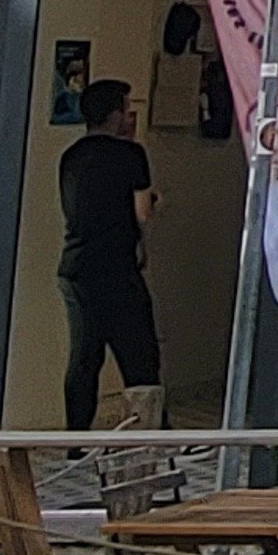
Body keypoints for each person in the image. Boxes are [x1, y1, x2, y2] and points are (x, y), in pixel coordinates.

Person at [57, 78, 163, 432]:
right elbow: (142, 212)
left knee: (84, 358)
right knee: (140, 356)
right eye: (127, 109)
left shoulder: (71, 156)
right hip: (116, 269)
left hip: (76, 267)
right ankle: (149, 434)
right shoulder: (130, 154)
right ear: (115, 115)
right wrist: (155, 202)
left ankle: (75, 439)